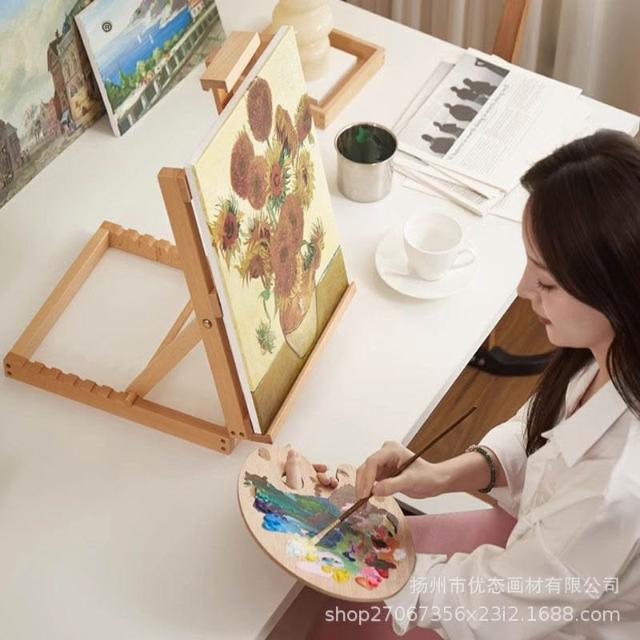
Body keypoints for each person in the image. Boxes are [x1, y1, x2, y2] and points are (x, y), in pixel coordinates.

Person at [306, 129, 640, 638]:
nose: (523, 289)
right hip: (536, 558)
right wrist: (444, 475)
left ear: (612, 287)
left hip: (545, 616)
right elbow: (543, 436)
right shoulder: (609, 350)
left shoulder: (613, 488)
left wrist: (365, 565)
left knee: (333, 610)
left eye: (546, 281)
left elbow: (491, 610)